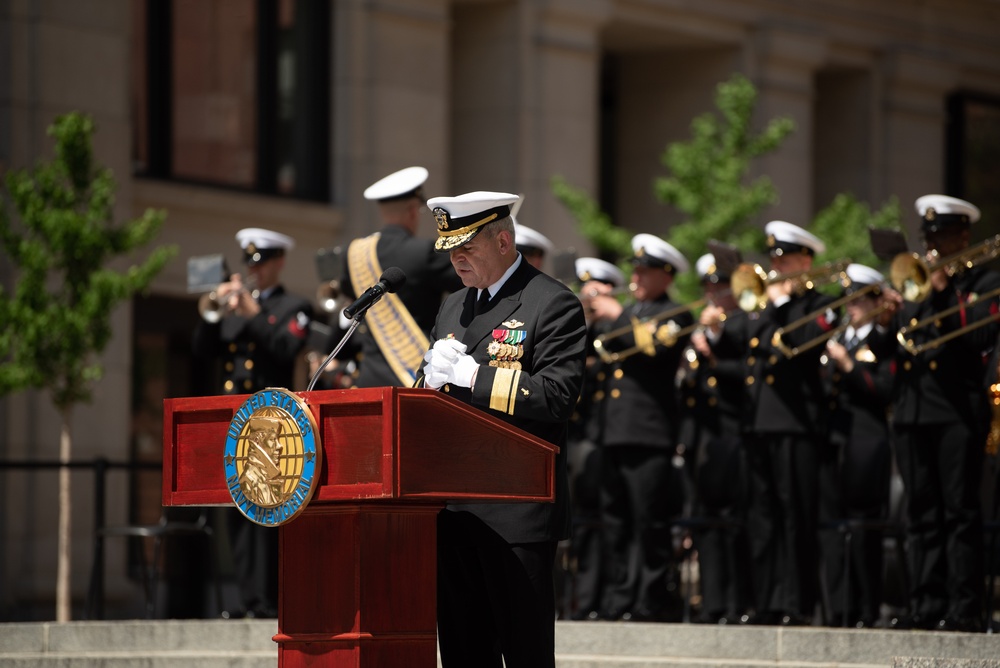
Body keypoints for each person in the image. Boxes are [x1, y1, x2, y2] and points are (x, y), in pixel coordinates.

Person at [418, 191, 587, 667]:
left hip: (517, 511)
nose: (456, 259)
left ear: (504, 241)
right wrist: (426, 381)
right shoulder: (453, 306)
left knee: (524, 653)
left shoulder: (551, 303)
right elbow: (434, 393)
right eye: (451, 250)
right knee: (463, 653)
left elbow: (558, 396)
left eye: (467, 247)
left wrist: (475, 378)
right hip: (454, 506)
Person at [872, 195, 1000, 632]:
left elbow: (981, 335)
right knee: (920, 513)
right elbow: (885, 351)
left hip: (955, 413)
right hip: (911, 412)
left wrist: (945, 291)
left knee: (958, 511)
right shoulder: (916, 285)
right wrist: (886, 320)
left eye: (941, 236)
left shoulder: (982, 282)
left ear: (963, 236)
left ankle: (963, 607)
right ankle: (925, 604)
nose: (932, 246)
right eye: (928, 237)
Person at [702, 221, 838, 626]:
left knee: (795, 515)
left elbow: (799, 349)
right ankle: (767, 600)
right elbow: (733, 343)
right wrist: (714, 328)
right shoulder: (760, 308)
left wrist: (779, 305)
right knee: (761, 517)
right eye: (774, 258)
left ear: (806, 260)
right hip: (757, 423)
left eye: (785, 258)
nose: (777, 265)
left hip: (797, 424)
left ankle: (798, 603)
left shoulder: (818, 304)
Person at [192, 226, 313, 618]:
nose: (252, 271)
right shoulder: (233, 309)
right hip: (234, 422)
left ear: (278, 262)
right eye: (248, 264)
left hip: (271, 422)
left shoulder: (294, 307)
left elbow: (285, 347)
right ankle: (247, 600)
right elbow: (201, 350)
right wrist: (214, 313)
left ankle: (270, 602)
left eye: (260, 263)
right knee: (237, 512)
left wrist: (253, 313)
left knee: (270, 509)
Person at [585, 233, 692, 622]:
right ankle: (620, 597)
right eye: (636, 269)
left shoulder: (676, 313)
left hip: (649, 433)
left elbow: (658, 351)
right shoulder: (630, 312)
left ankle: (649, 599)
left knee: (649, 522)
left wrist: (616, 314)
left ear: (666, 276)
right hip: (613, 432)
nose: (637, 277)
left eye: (645, 271)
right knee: (615, 522)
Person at [334, 166, 463, 388]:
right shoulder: (424, 252)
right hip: (415, 377)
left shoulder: (353, 253)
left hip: (369, 381)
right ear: (413, 210)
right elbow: (467, 288)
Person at [817, 263, 894, 628]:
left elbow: (884, 390)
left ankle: (866, 608)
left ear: (876, 301)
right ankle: (839, 608)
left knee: (865, 527)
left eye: (860, 299)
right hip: (835, 438)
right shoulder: (840, 337)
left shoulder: (882, 338)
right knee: (833, 527)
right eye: (849, 298)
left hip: (867, 440)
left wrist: (848, 366)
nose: (851, 306)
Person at [680, 250, 754, 625]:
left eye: (720, 286)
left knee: (734, 520)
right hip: (704, 435)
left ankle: (737, 601)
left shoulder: (742, 322)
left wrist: (712, 350)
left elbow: (747, 374)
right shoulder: (704, 326)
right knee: (707, 522)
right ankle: (711, 601)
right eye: (708, 286)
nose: (713, 293)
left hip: (734, 432)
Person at [568, 256, 628, 621]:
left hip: (606, 435)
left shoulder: (617, 326)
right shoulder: (584, 329)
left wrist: (612, 315)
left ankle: (611, 598)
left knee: (612, 519)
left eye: (598, 289)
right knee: (583, 524)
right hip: (580, 435)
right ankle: (584, 599)